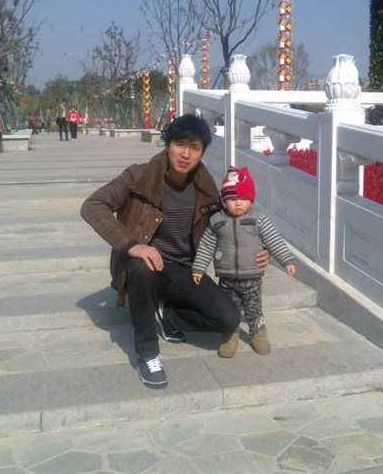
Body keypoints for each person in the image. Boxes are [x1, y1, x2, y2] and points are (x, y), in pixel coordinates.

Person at [80, 114, 269, 389]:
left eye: (195, 148)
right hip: (145, 266)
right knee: (142, 267)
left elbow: (230, 221)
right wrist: (132, 245)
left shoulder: (205, 187)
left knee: (228, 318)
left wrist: (261, 248)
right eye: (180, 144)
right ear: (167, 144)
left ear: (202, 152)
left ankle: (166, 313)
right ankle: (148, 354)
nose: (186, 154)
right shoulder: (138, 176)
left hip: (184, 269)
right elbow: (93, 205)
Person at [191, 166, 296, 358]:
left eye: (243, 199)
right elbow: (206, 246)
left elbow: (274, 240)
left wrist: (287, 260)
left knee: (253, 308)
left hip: (252, 277)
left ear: (251, 200)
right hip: (227, 277)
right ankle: (230, 336)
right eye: (232, 199)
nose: (238, 203)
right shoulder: (217, 220)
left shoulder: (258, 219)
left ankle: (258, 333)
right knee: (230, 310)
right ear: (224, 200)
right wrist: (198, 269)